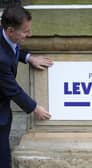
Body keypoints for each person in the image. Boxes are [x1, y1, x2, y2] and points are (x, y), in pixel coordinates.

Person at [0, 5, 53, 167]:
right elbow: (13, 90)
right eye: (25, 32)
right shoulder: (1, 59)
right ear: (10, 30)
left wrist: (29, 57)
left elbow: (13, 48)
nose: (29, 34)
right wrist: (35, 108)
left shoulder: (6, 36)